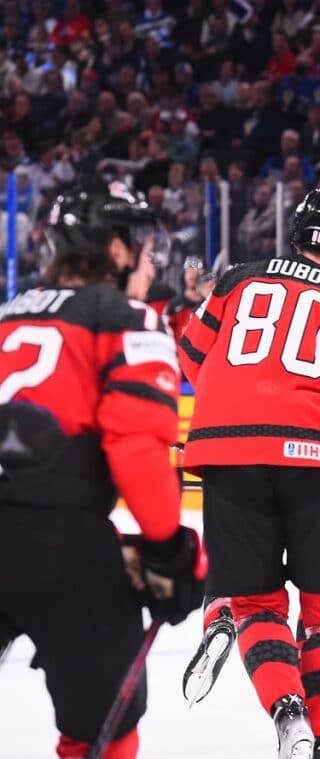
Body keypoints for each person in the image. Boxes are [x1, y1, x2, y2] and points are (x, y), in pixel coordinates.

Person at [177, 189, 320, 759]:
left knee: (255, 605)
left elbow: (190, 356)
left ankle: (289, 712)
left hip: (229, 455)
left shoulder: (235, 279)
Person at [0, 185, 205, 759]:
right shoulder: (125, 316)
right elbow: (136, 447)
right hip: (63, 542)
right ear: (115, 251)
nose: (150, 258)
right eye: (141, 244)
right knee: (104, 727)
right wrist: (168, 547)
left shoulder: (7, 313)